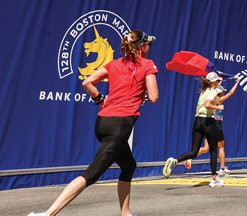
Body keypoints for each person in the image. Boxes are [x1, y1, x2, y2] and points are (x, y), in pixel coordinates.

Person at [28, 31, 158, 216]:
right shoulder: (147, 64)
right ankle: (47, 214)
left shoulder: (114, 64)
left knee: (129, 166)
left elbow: (87, 82)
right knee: (90, 175)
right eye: (148, 45)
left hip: (102, 123)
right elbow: (153, 97)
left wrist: (100, 100)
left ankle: (126, 213)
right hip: (120, 126)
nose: (149, 49)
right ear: (142, 46)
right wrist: (143, 91)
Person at [163, 72, 228, 187]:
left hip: (197, 122)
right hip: (208, 122)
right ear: (214, 82)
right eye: (217, 81)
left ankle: (175, 161)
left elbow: (199, 107)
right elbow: (208, 105)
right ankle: (214, 179)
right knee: (213, 151)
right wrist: (218, 107)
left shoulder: (203, 92)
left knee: (194, 152)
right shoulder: (213, 92)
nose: (218, 83)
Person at [188, 79, 240, 175]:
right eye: (223, 92)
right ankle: (222, 168)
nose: (224, 93)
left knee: (206, 148)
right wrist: (237, 82)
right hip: (216, 125)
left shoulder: (209, 97)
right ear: (220, 93)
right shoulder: (218, 100)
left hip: (207, 124)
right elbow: (231, 93)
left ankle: (190, 156)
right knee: (221, 147)